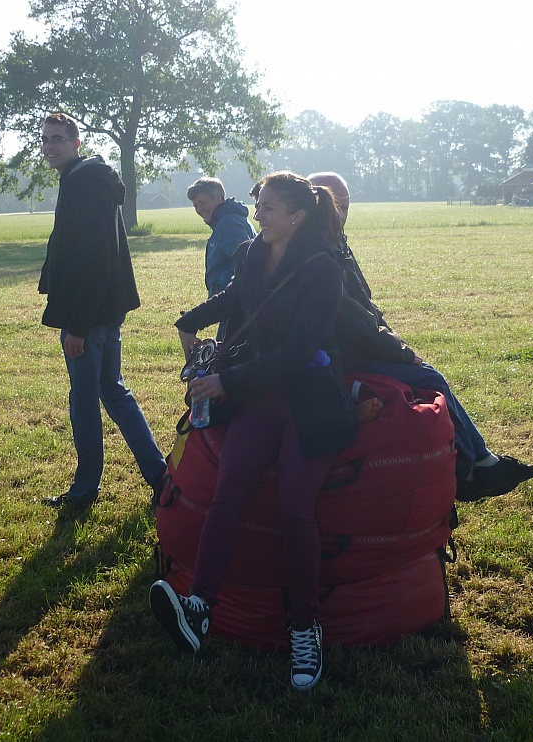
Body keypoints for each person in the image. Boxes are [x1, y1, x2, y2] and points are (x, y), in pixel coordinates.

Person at [150, 172, 352, 691]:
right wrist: (187, 321)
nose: (257, 213)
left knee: (294, 509)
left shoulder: (323, 269)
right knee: (227, 495)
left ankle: (304, 628)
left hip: (307, 401)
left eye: (267, 207)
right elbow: (235, 298)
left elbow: (299, 350)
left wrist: (227, 381)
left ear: (297, 217)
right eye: (259, 204)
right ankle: (198, 608)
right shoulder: (253, 254)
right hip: (260, 399)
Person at [306, 171, 533, 500]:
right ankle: (472, 467)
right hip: (345, 355)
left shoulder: (336, 243)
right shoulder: (320, 255)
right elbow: (353, 323)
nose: (341, 214)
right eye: (336, 206)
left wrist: (395, 340)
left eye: (346, 207)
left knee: (428, 375)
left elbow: (367, 307)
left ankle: (480, 461)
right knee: (430, 378)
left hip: (360, 345)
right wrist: (401, 352)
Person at [37, 112, 167, 509]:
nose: (50, 146)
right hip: (104, 309)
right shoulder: (84, 178)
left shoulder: (85, 183)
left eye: (58, 139)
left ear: (76, 143)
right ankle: (161, 478)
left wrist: (77, 325)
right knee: (113, 390)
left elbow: (96, 259)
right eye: (45, 139)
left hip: (89, 315)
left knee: (84, 401)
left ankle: (84, 491)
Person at [186, 177, 257, 297]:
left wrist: (218, 289)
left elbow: (244, 259)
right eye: (196, 206)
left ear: (218, 197)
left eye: (203, 203)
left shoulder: (229, 223)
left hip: (232, 299)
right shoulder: (225, 220)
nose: (199, 209)